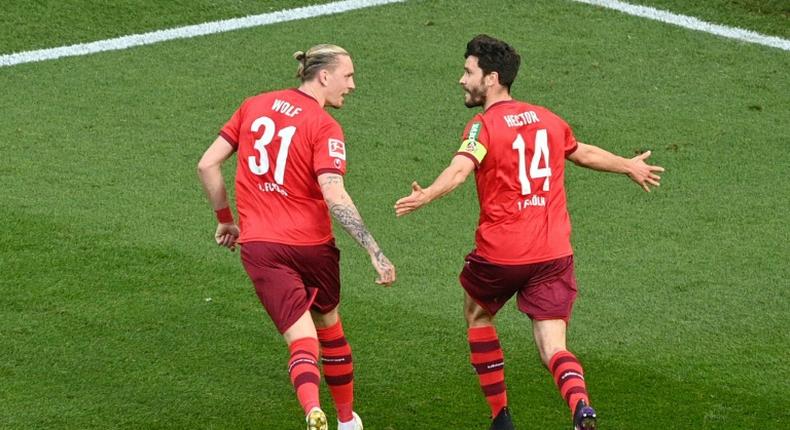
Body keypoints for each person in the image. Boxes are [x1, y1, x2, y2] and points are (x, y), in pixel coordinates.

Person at [395, 35, 664, 430]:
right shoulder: (547, 118)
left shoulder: (483, 124)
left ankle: (501, 417)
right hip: (553, 253)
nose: (461, 80)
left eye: (468, 72)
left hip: (502, 253)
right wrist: (628, 165)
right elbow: (582, 152)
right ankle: (581, 406)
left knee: (477, 314)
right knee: (553, 346)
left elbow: (459, 169)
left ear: (492, 79)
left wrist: (427, 195)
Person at [198, 44, 396, 430]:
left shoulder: (253, 105)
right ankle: (346, 420)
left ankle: (311, 410)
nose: (352, 85)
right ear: (324, 76)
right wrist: (374, 250)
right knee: (329, 326)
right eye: (349, 76)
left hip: (261, 247)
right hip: (312, 247)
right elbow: (334, 193)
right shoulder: (324, 126)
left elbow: (207, 164)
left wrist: (225, 220)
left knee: (300, 339)